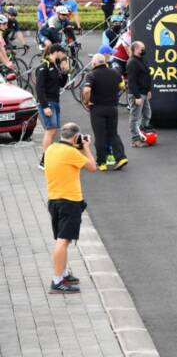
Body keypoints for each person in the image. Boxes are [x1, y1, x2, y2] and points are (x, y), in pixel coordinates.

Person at [45, 123, 96, 294]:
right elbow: (92, 167)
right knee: (64, 240)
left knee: (61, 239)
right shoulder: (72, 152)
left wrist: (77, 147)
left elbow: (67, 157)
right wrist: (86, 147)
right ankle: (57, 281)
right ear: (75, 137)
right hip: (70, 202)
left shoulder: (51, 148)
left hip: (54, 200)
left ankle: (64, 273)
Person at [82, 53, 127, 171]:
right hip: (112, 108)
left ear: (94, 63)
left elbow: (86, 90)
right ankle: (121, 157)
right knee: (113, 134)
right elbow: (122, 86)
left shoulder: (91, 75)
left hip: (98, 108)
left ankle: (102, 163)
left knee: (100, 135)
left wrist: (86, 102)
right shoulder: (115, 72)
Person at [35, 45, 70, 169]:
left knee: (53, 130)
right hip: (48, 102)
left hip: (55, 101)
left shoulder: (55, 66)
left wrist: (65, 71)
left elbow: (62, 84)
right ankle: (45, 160)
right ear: (56, 52)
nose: (64, 56)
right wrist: (44, 106)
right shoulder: (43, 67)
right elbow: (39, 88)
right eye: (62, 53)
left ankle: (49, 158)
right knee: (50, 130)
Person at [126, 41, 152, 148]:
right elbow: (131, 82)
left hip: (144, 92)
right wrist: (137, 96)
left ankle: (143, 133)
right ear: (136, 49)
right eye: (142, 48)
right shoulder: (132, 62)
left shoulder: (142, 60)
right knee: (135, 117)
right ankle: (135, 140)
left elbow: (147, 75)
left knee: (147, 113)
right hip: (137, 94)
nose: (144, 49)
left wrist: (149, 90)